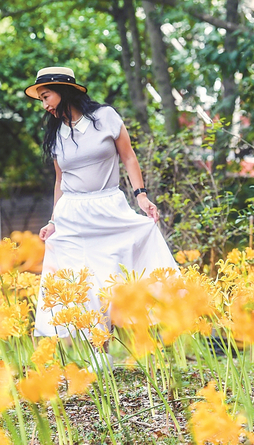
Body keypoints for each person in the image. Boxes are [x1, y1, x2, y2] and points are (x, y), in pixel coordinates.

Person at [25, 67, 178, 366]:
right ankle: (99, 352)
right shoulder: (56, 133)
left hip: (108, 209)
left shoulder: (106, 117)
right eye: (41, 99)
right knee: (79, 283)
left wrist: (141, 196)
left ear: (64, 90)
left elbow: (128, 156)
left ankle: (160, 327)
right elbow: (60, 181)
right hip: (72, 214)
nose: (44, 105)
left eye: (47, 97)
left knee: (110, 279)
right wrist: (53, 220)